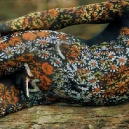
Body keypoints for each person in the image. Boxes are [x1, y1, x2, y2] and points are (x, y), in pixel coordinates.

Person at [1, 0, 129, 117]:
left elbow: (61, 17)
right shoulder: (125, 8)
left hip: (56, 74)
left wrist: (6, 27)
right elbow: (62, 17)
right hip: (60, 66)